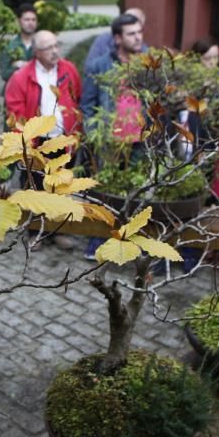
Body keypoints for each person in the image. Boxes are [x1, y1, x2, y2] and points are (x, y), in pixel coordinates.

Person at [5, 30, 82, 250]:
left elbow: (78, 98)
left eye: (56, 45)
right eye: (48, 47)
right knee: (35, 190)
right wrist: (25, 148)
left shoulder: (69, 70)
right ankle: (36, 233)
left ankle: (58, 231)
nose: (55, 51)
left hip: (63, 141)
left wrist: (76, 135)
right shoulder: (21, 77)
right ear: (36, 52)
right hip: (37, 145)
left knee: (60, 188)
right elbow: (16, 115)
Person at [80, 13, 145, 260]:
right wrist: (94, 135)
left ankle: (129, 241)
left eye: (139, 32)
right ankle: (97, 239)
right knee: (105, 194)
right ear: (118, 38)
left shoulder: (147, 65)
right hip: (108, 142)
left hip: (140, 141)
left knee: (136, 192)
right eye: (131, 33)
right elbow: (87, 105)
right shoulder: (98, 66)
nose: (138, 37)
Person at [0, 3, 38, 85]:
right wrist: (17, 66)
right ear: (19, 21)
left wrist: (23, 64)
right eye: (27, 20)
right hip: (14, 90)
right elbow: (4, 74)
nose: (30, 23)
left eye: (33, 20)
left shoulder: (42, 44)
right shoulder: (10, 46)